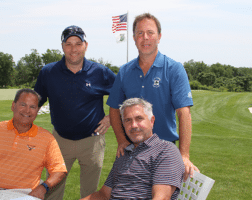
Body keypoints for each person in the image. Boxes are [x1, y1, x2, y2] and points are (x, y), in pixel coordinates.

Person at [107, 13, 199, 180]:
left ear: (159, 37)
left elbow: (184, 113)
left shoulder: (174, 69)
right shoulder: (124, 71)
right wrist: (122, 140)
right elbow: (114, 109)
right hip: (132, 151)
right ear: (134, 38)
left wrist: (184, 155)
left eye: (150, 32)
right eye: (140, 33)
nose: (145, 38)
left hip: (165, 151)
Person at [34, 25, 116, 199]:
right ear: (62, 46)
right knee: (53, 190)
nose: (73, 49)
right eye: (68, 44)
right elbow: (35, 102)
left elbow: (124, 93)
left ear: (86, 45)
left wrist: (110, 118)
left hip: (92, 142)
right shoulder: (48, 72)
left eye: (78, 43)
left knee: (90, 192)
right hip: (60, 141)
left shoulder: (100, 72)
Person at [81, 98, 185, 200]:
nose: (133, 125)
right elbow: (103, 194)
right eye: (128, 120)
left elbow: (161, 198)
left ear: (151, 121)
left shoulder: (165, 150)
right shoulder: (124, 153)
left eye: (139, 118)